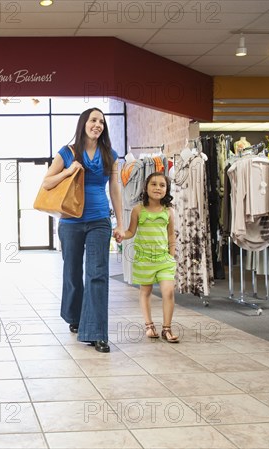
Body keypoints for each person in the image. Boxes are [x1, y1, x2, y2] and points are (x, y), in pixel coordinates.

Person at [41, 107, 123, 353]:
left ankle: (97, 332)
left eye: (101, 121)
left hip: (99, 219)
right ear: (83, 124)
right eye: (93, 120)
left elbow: (115, 190)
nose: (97, 124)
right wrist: (68, 170)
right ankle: (74, 315)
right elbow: (46, 182)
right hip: (70, 221)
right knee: (73, 271)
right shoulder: (67, 152)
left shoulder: (111, 154)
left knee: (97, 274)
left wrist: (121, 222)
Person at [114, 172, 179, 343]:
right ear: (146, 187)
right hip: (144, 260)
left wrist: (171, 257)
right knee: (146, 291)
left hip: (163, 260)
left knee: (169, 291)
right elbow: (130, 232)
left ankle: (167, 328)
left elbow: (171, 235)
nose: (158, 188)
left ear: (167, 189)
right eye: (154, 184)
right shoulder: (138, 210)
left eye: (162, 185)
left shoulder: (169, 211)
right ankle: (149, 325)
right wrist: (122, 235)